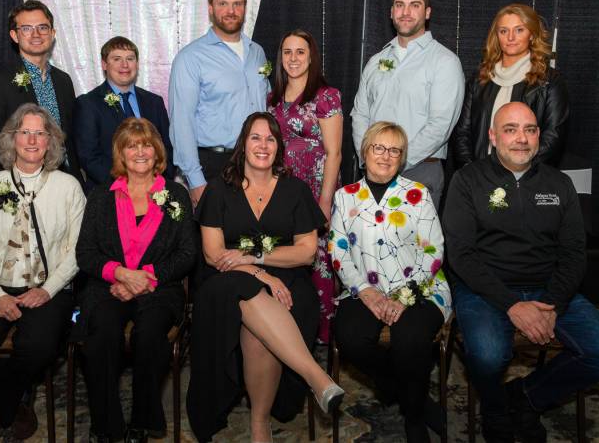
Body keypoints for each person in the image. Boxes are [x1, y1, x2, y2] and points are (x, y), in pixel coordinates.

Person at [443, 102, 599, 443]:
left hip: (548, 287)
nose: (521, 139)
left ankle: (527, 396)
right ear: (493, 137)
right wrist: (512, 304)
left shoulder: (558, 184)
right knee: (487, 355)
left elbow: (574, 252)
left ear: (539, 136)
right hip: (484, 288)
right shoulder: (466, 180)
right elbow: (461, 254)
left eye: (529, 129)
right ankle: (495, 410)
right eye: (511, 129)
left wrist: (553, 305)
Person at [186, 112, 344, 443]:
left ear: (278, 147)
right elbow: (214, 255)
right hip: (227, 280)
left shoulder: (295, 190)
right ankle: (316, 378)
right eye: (255, 137)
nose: (263, 145)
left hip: (286, 281)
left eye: (270, 138)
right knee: (246, 292)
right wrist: (258, 271)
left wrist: (256, 257)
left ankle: (260, 422)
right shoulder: (218, 190)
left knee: (259, 329)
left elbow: (305, 251)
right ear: (243, 144)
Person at [0, 103, 85, 439]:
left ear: (50, 142)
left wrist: (48, 289)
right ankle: (12, 400)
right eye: (24, 132)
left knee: (40, 347)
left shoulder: (68, 187)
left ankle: (0, 398)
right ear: (11, 140)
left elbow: (77, 250)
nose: (31, 140)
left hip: (48, 286)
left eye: (39, 133)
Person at [74, 117, 196, 442]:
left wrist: (147, 278)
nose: (139, 152)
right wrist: (121, 273)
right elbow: (85, 253)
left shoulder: (174, 197)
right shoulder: (101, 197)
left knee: (150, 334)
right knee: (102, 335)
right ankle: (107, 425)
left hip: (160, 289)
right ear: (121, 154)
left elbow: (187, 254)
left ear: (157, 152)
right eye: (131, 145)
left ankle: (145, 419)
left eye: (145, 145)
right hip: (108, 288)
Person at [330, 121, 451, 442]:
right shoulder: (345, 197)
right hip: (365, 289)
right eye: (378, 148)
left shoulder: (417, 195)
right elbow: (338, 252)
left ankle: (413, 417)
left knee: (410, 340)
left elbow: (434, 250)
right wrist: (366, 292)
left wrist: (405, 296)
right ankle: (407, 392)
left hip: (420, 288)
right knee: (351, 337)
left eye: (394, 150)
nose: (385, 156)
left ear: (402, 158)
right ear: (364, 152)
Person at [351, 0, 464, 207]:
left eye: (414, 5)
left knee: (414, 243)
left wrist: (394, 159)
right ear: (391, 12)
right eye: (400, 5)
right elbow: (360, 113)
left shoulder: (444, 62)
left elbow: (440, 125)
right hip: (372, 174)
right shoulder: (376, 61)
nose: (405, 12)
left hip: (419, 172)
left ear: (427, 12)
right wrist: (368, 158)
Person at [267, 29, 342, 343]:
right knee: (288, 256)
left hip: (315, 188)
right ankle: (287, 330)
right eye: (287, 52)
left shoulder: (326, 95)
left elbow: (335, 151)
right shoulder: (272, 97)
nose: (293, 58)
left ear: (311, 57)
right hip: (283, 189)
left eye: (300, 52)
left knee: (319, 260)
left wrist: (324, 202)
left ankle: (321, 335)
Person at [168, 0, 271, 207]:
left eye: (237, 4)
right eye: (223, 3)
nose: (231, 11)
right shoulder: (190, 58)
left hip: (258, 161)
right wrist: (195, 181)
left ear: (245, 7)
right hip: (213, 165)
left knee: (252, 239)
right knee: (213, 242)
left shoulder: (257, 53)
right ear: (210, 8)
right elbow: (181, 122)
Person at [0, 0, 84, 184]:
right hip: (21, 183)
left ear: (52, 33)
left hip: (64, 182)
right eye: (26, 28)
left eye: (43, 27)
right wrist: (8, 189)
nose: (36, 34)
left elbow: (70, 139)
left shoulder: (63, 81)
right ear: (14, 35)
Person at [452, 3, 569, 167]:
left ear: (532, 34)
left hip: (527, 178)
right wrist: (472, 171)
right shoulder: (480, 78)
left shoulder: (549, 81)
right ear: (496, 36)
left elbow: (553, 136)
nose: (511, 37)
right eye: (504, 31)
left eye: (519, 30)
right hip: (480, 176)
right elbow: (462, 132)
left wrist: (518, 170)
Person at [74, 36, 174, 189]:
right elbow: (89, 157)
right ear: (104, 64)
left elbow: (167, 148)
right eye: (117, 59)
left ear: (137, 64)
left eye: (130, 58)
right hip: (109, 193)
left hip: (154, 193)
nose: (125, 65)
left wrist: (156, 184)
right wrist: (127, 188)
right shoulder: (88, 104)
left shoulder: (154, 102)